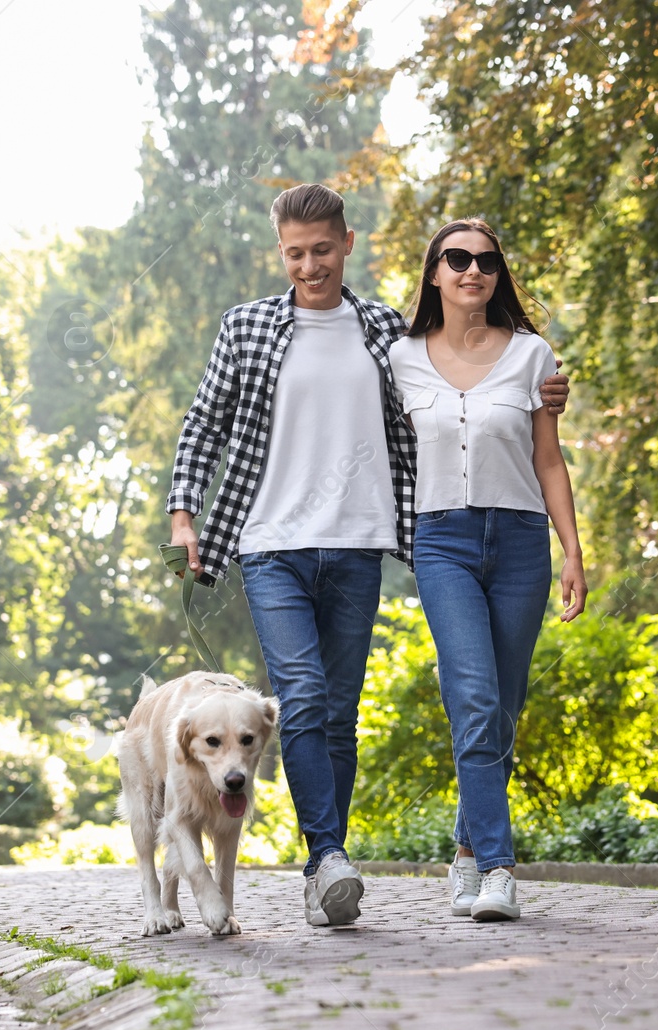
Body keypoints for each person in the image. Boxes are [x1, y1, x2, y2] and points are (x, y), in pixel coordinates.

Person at [166, 185, 570, 927]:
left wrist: (539, 389)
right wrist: (184, 512)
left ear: (347, 244)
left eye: (322, 250)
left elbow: (455, 376)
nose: (309, 266)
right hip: (271, 544)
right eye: (295, 253)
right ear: (280, 251)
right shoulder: (248, 327)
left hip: (358, 544)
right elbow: (205, 421)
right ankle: (326, 859)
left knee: (340, 716)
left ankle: (332, 869)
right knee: (306, 698)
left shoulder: (386, 331)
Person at [387, 217, 588, 922]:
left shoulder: (534, 356)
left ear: (498, 276)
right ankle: (501, 868)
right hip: (441, 541)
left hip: (522, 543)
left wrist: (572, 549)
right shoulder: (400, 358)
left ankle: (468, 851)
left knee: (502, 707)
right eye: (458, 258)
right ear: (434, 272)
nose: (474, 270)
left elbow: (549, 459)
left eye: (488, 261)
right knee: (472, 697)